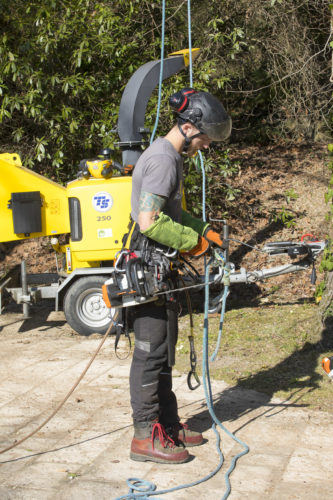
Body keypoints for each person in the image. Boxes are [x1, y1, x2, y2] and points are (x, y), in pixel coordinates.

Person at [128, 88, 232, 464]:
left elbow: (170, 211)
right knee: (150, 354)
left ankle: (167, 424)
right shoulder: (164, 160)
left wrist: (203, 230)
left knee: (164, 351)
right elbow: (150, 220)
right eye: (204, 138)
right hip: (148, 269)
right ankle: (145, 436)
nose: (204, 146)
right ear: (188, 127)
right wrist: (195, 245)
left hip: (161, 267)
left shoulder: (169, 155)